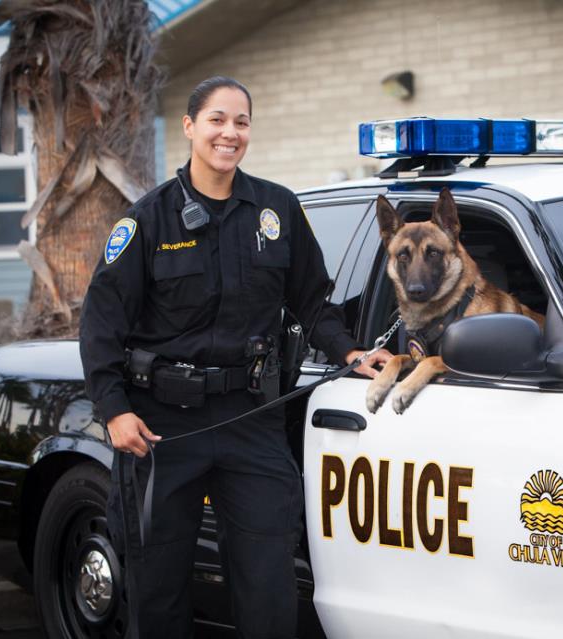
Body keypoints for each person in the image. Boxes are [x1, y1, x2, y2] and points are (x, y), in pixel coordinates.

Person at [79, 75, 390, 639]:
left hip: (251, 419)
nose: (230, 133)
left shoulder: (277, 210)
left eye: (241, 122)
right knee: (158, 588)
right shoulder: (147, 220)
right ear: (190, 127)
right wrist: (113, 408)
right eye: (217, 120)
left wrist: (350, 349)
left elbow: (312, 301)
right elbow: (101, 321)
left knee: (269, 585)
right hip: (161, 424)